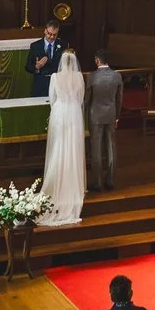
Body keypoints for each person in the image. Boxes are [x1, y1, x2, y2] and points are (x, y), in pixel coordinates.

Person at [42, 49, 87, 226]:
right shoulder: (79, 77)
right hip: (74, 112)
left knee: (59, 147)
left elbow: (51, 98)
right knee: (73, 148)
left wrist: (58, 108)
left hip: (60, 112)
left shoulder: (55, 76)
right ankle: (73, 183)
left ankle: (58, 180)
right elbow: (81, 98)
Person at [87, 50, 124, 192]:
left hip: (95, 116)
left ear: (97, 61)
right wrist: (117, 116)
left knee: (96, 149)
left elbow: (87, 99)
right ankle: (110, 180)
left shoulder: (92, 76)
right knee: (111, 148)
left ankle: (97, 182)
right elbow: (119, 99)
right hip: (111, 115)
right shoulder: (117, 76)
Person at [28, 21, 66, 99]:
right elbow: (28, 67)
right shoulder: (35, 46)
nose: (51, 37)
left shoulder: (63, 45)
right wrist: (37, 66)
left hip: (57, 86)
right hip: (40, 85)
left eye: (54, 35)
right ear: (45, 31)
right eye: (49, 33)